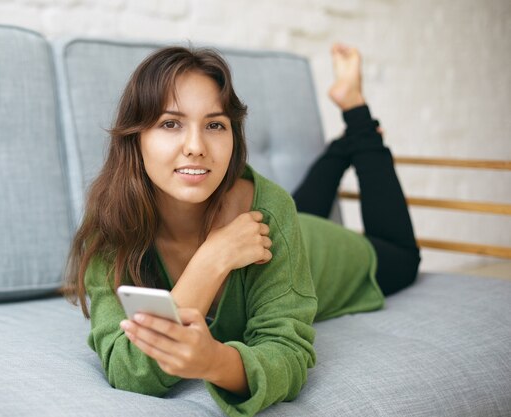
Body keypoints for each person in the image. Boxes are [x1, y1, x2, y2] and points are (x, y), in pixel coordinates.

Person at [64, 43, 421, 417]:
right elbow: (130, 370)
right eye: (171, 123)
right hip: (271, 229)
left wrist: (215, 361)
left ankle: (357, 117)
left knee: (402, 255)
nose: (196, 147)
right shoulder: (110, 224)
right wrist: (211, 260)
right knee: (291, 210)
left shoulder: (269, 211)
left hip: (319, 251)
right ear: (135, 138)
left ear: (233, 137)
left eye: (215, 125)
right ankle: (346, 143)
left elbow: (288, 353)